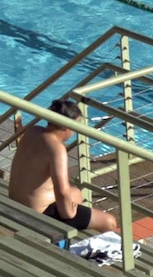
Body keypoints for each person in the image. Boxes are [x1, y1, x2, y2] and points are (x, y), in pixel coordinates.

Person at [8, 99, 118, 232]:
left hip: (16, 201)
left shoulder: (33, 131)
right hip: (38, 213)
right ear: (67, 126)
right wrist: (68, 213)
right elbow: (61, 190)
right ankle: (123, 247)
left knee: (76, 193)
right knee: (109, 222)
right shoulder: (56, 149)